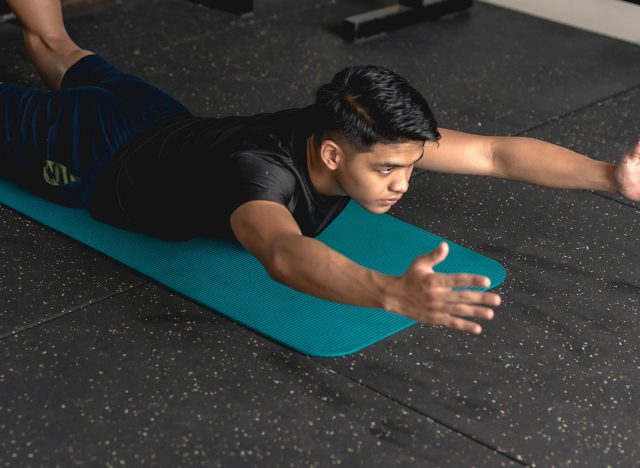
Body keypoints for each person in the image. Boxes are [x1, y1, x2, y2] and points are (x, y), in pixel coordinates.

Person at [1, 1, 639, 336]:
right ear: (333, 154)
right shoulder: (260, 176)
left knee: (55, 44)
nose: (404, 182)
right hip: (88, 153)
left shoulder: (358, 126)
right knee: (48, 54)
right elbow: (280, 253)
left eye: (410, 167)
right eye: (390, 170)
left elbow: (497, 153)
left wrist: (609, 176)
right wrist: (387, 291)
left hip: (159, 116)